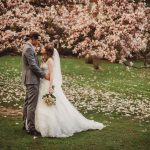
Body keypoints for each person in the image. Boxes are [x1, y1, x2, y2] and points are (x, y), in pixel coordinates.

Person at [35, 45, 105, 138]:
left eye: (44, 48)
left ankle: (51, 127)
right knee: (42, 104)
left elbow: (52, 74)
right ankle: (42, 127)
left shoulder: (50, 61)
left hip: (48, 84)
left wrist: (51, 87)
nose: (42, 48)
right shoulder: (44, 59)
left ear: (47, 51)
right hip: (43, 83)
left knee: (50, 105)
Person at [22, 32, 49, 136]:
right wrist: (43, 75)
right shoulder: (28, 48)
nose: (39, 42)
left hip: (29, 79)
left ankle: (25, 124)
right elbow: (33, 66)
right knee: (31, 105)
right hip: (32, 80)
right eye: (38, 40)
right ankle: (31, 128)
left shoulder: (28, 47)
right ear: (33, 38)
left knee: (27, 103)